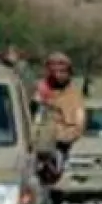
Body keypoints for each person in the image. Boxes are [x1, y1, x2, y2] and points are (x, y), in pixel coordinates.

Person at [34, 51, 85, 182]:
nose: (58, 75)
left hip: (59, 148)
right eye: (54, 71)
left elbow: (77, 127)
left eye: (62, 71)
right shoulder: (39, 90)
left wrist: (57, 135)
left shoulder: (73, 97)